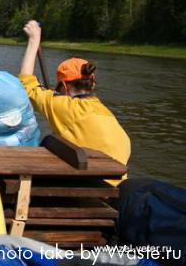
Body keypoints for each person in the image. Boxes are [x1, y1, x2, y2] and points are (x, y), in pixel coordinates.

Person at [19, 20, 130, 185]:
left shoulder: (64, 107)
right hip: (113, 191)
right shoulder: (106, 113)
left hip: (87, 191)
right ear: (92, 84)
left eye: (58, 87)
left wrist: (34, 40)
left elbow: (27, 85)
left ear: (63, 86)